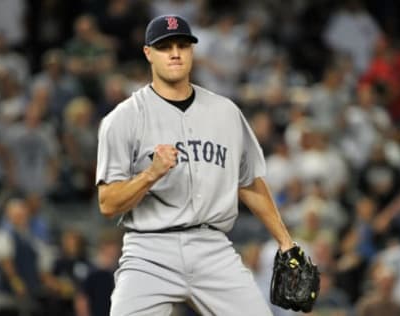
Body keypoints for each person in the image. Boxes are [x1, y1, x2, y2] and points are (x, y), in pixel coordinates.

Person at [96, 15, 298, 316]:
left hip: (212, 247)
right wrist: (150, 175)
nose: (175, 53)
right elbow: (108, 203)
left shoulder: (226, 112)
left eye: (182, 45)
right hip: (149, 252)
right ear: (148, 53)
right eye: (165, 47)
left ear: (192, 51)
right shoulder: (124, 118)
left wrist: (286, 242)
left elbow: (249, 183)